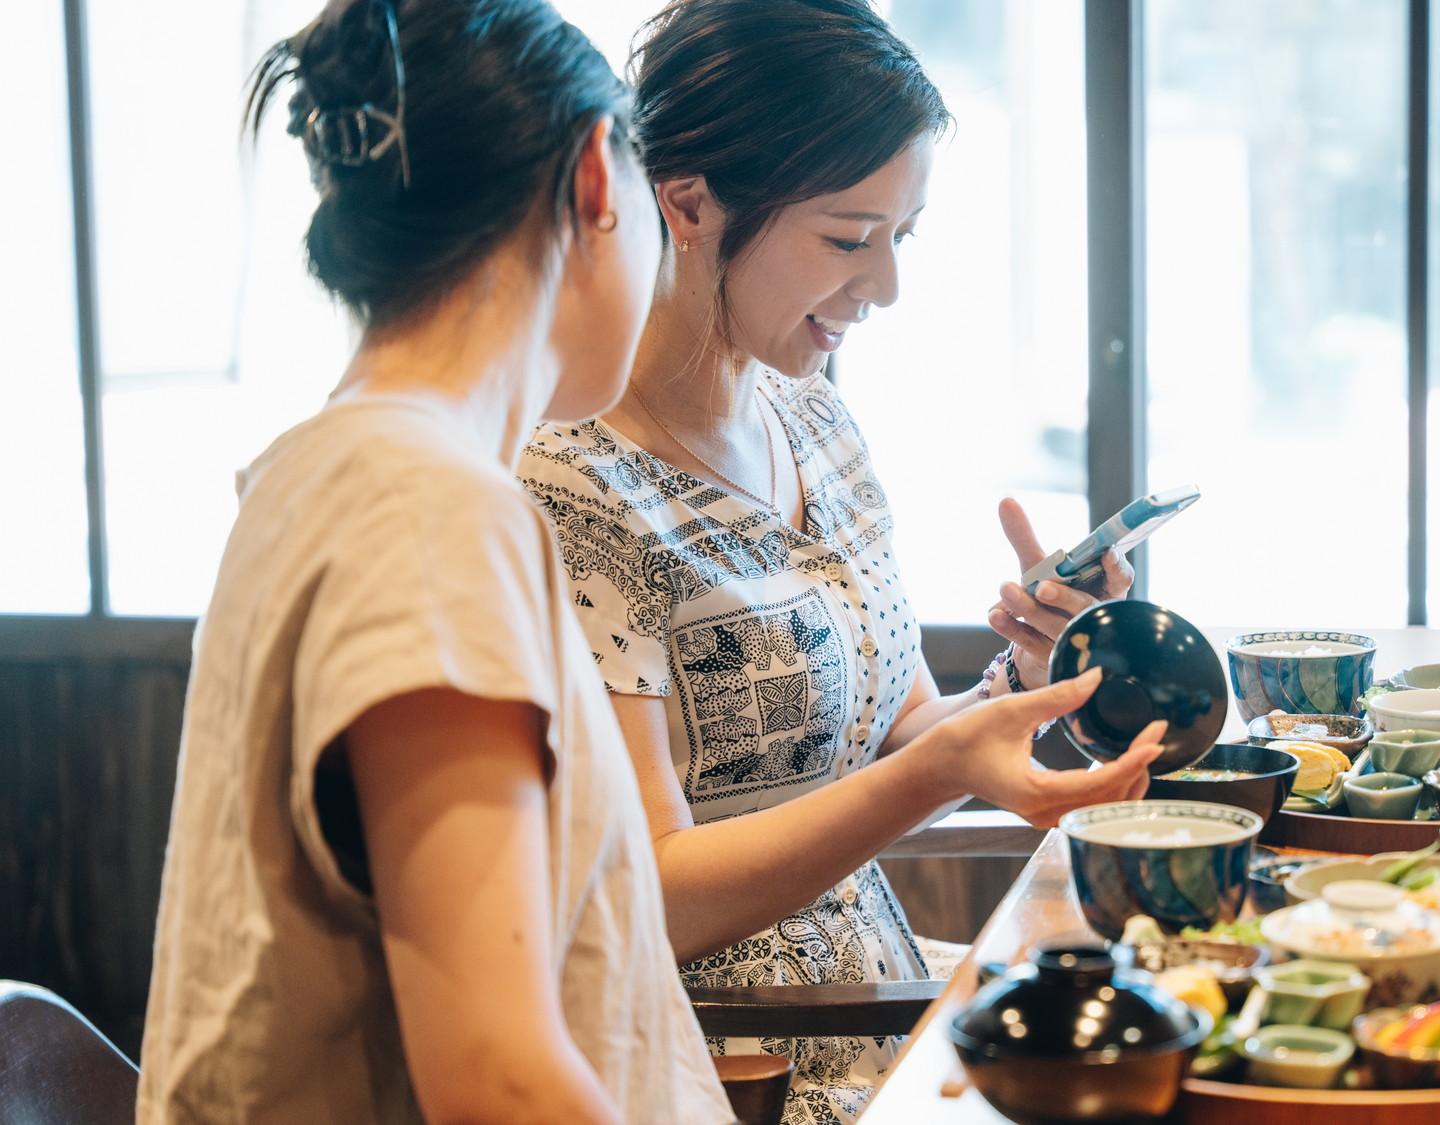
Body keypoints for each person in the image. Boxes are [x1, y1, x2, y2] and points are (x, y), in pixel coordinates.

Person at [138, 1, 1135, 1122]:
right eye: (851, 236)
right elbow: (496, 1076)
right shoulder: (431, 513)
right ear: (603, 194)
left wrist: (1004, 708)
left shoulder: (319, 475)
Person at [514, 3, 1154, 1122]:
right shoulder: (570, 491)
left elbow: (900, 728)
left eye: (901, 237)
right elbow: (647, 896)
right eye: (849, 238)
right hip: (730, 1067)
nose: (885, 287)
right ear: (690, 203)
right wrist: (944, 763)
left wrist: (1031, 686)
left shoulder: (813, 424)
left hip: (880, 1006)